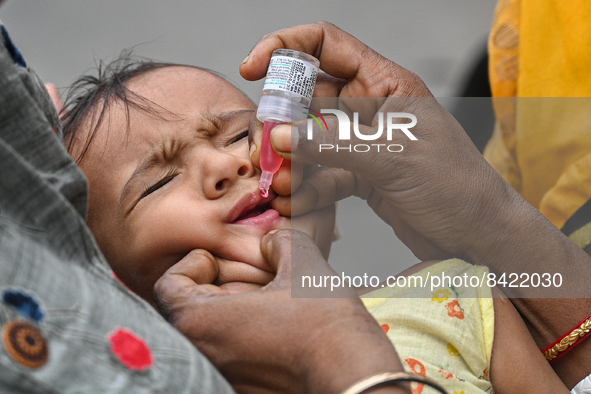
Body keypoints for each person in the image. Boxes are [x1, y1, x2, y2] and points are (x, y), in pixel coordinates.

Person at [58, 54, 570, 393]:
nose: (228, 166)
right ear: (113, 284)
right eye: (158, 182)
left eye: (241, 136)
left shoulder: (455, 298)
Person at [238, 21, 591, 390]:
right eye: (169, 177)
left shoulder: (449, 295)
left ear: (333, 217)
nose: (237, 164)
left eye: (238, 138)